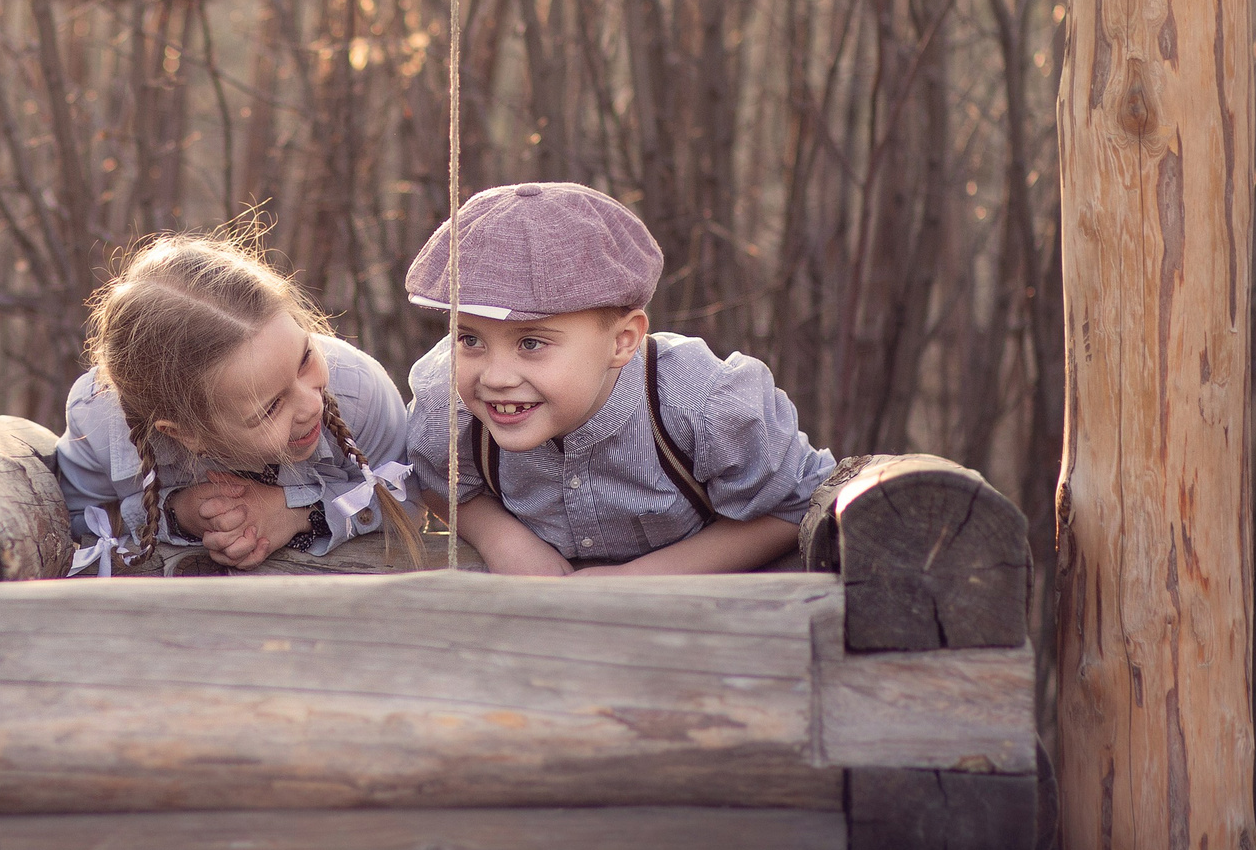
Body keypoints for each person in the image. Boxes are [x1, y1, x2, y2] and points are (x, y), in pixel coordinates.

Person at [402, 182, 834, 576]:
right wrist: (501, 539)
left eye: (531, 343)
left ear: (622, 341)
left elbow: (796, 503)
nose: (496, 377)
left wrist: (636, 580)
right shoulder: (447, 408)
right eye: (470, 339)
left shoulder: (702, 404)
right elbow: (438, 483)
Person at [55, 230, 421, 572]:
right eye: (270, 408)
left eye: (305, 359)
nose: (312, 405)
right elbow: (73, 522)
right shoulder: (100, 422)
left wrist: (300, 513)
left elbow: (408, 496)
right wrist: (177, 514)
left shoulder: (356, 389)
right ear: (184, 433)